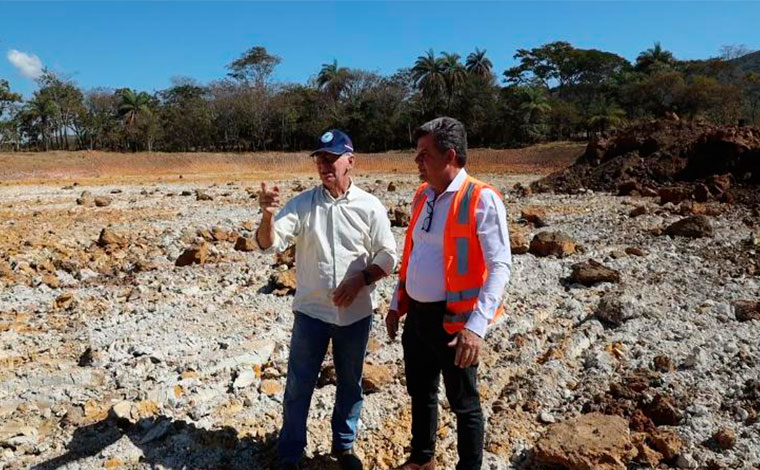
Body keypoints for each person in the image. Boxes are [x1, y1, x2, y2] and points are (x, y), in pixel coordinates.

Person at [256, 129, 397, 470]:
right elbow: (267, 244)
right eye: (320, 158)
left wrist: (362, 279)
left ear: (351, 161)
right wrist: (267, 215)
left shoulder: (370, 206)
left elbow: (389, 256)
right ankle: (290, 453)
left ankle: (344, 447)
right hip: (311, 314)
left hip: (356, 316)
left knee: (350, 385)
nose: (324, 165)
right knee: (298, 386)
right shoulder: (303, 205)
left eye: (331, 158)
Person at [386, 117, 512, 470]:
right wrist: (398, 304)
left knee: (464, 403)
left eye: (424, 154)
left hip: (456, 323)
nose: (417, 161)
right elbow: (414, 253)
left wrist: (476, 327)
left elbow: (500, 266)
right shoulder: (422, 197)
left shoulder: (481, 199)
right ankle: (422, 459)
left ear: (450, 156)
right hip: (419, 318)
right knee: (421, 393)